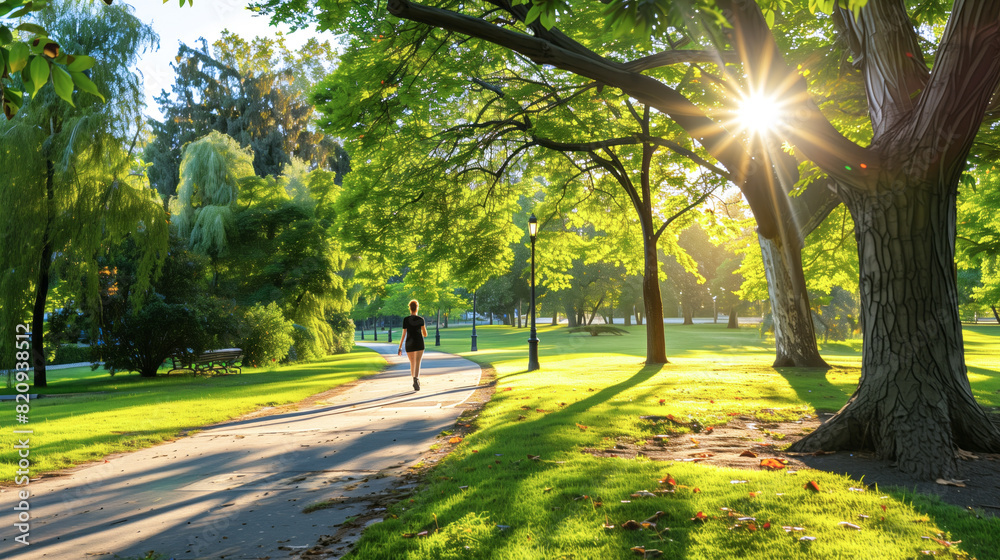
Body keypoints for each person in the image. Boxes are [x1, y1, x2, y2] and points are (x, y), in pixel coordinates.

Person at [398, 299, 428, 391]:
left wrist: (400, 347)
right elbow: (425, 334)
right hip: (419, 343)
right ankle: (416, 379)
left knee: (412, 363)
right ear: (417, 308)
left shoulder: (406, 320)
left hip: (409, 343)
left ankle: (414, 379)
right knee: (417, 363)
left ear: (410, 308)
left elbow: (403, 334)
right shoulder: (420, 319)